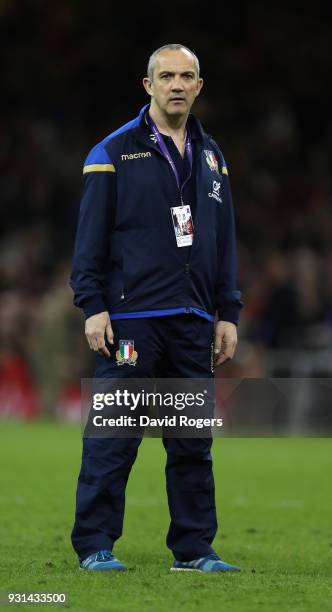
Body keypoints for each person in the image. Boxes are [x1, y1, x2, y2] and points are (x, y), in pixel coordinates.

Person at [70, 43, 243, 573]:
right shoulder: (112, 152)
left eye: (185, 76)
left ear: (198, 87)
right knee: (114, 437)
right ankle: (95, 544)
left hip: (192, 320)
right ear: (148, 85)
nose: (175, 84)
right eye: (165, 75)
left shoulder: (213, 157)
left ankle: (194, 549)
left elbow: (224, 241)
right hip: (131, 320)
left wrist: (228, 312)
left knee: (192, 444)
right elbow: (88, 240)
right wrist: (92, 305)